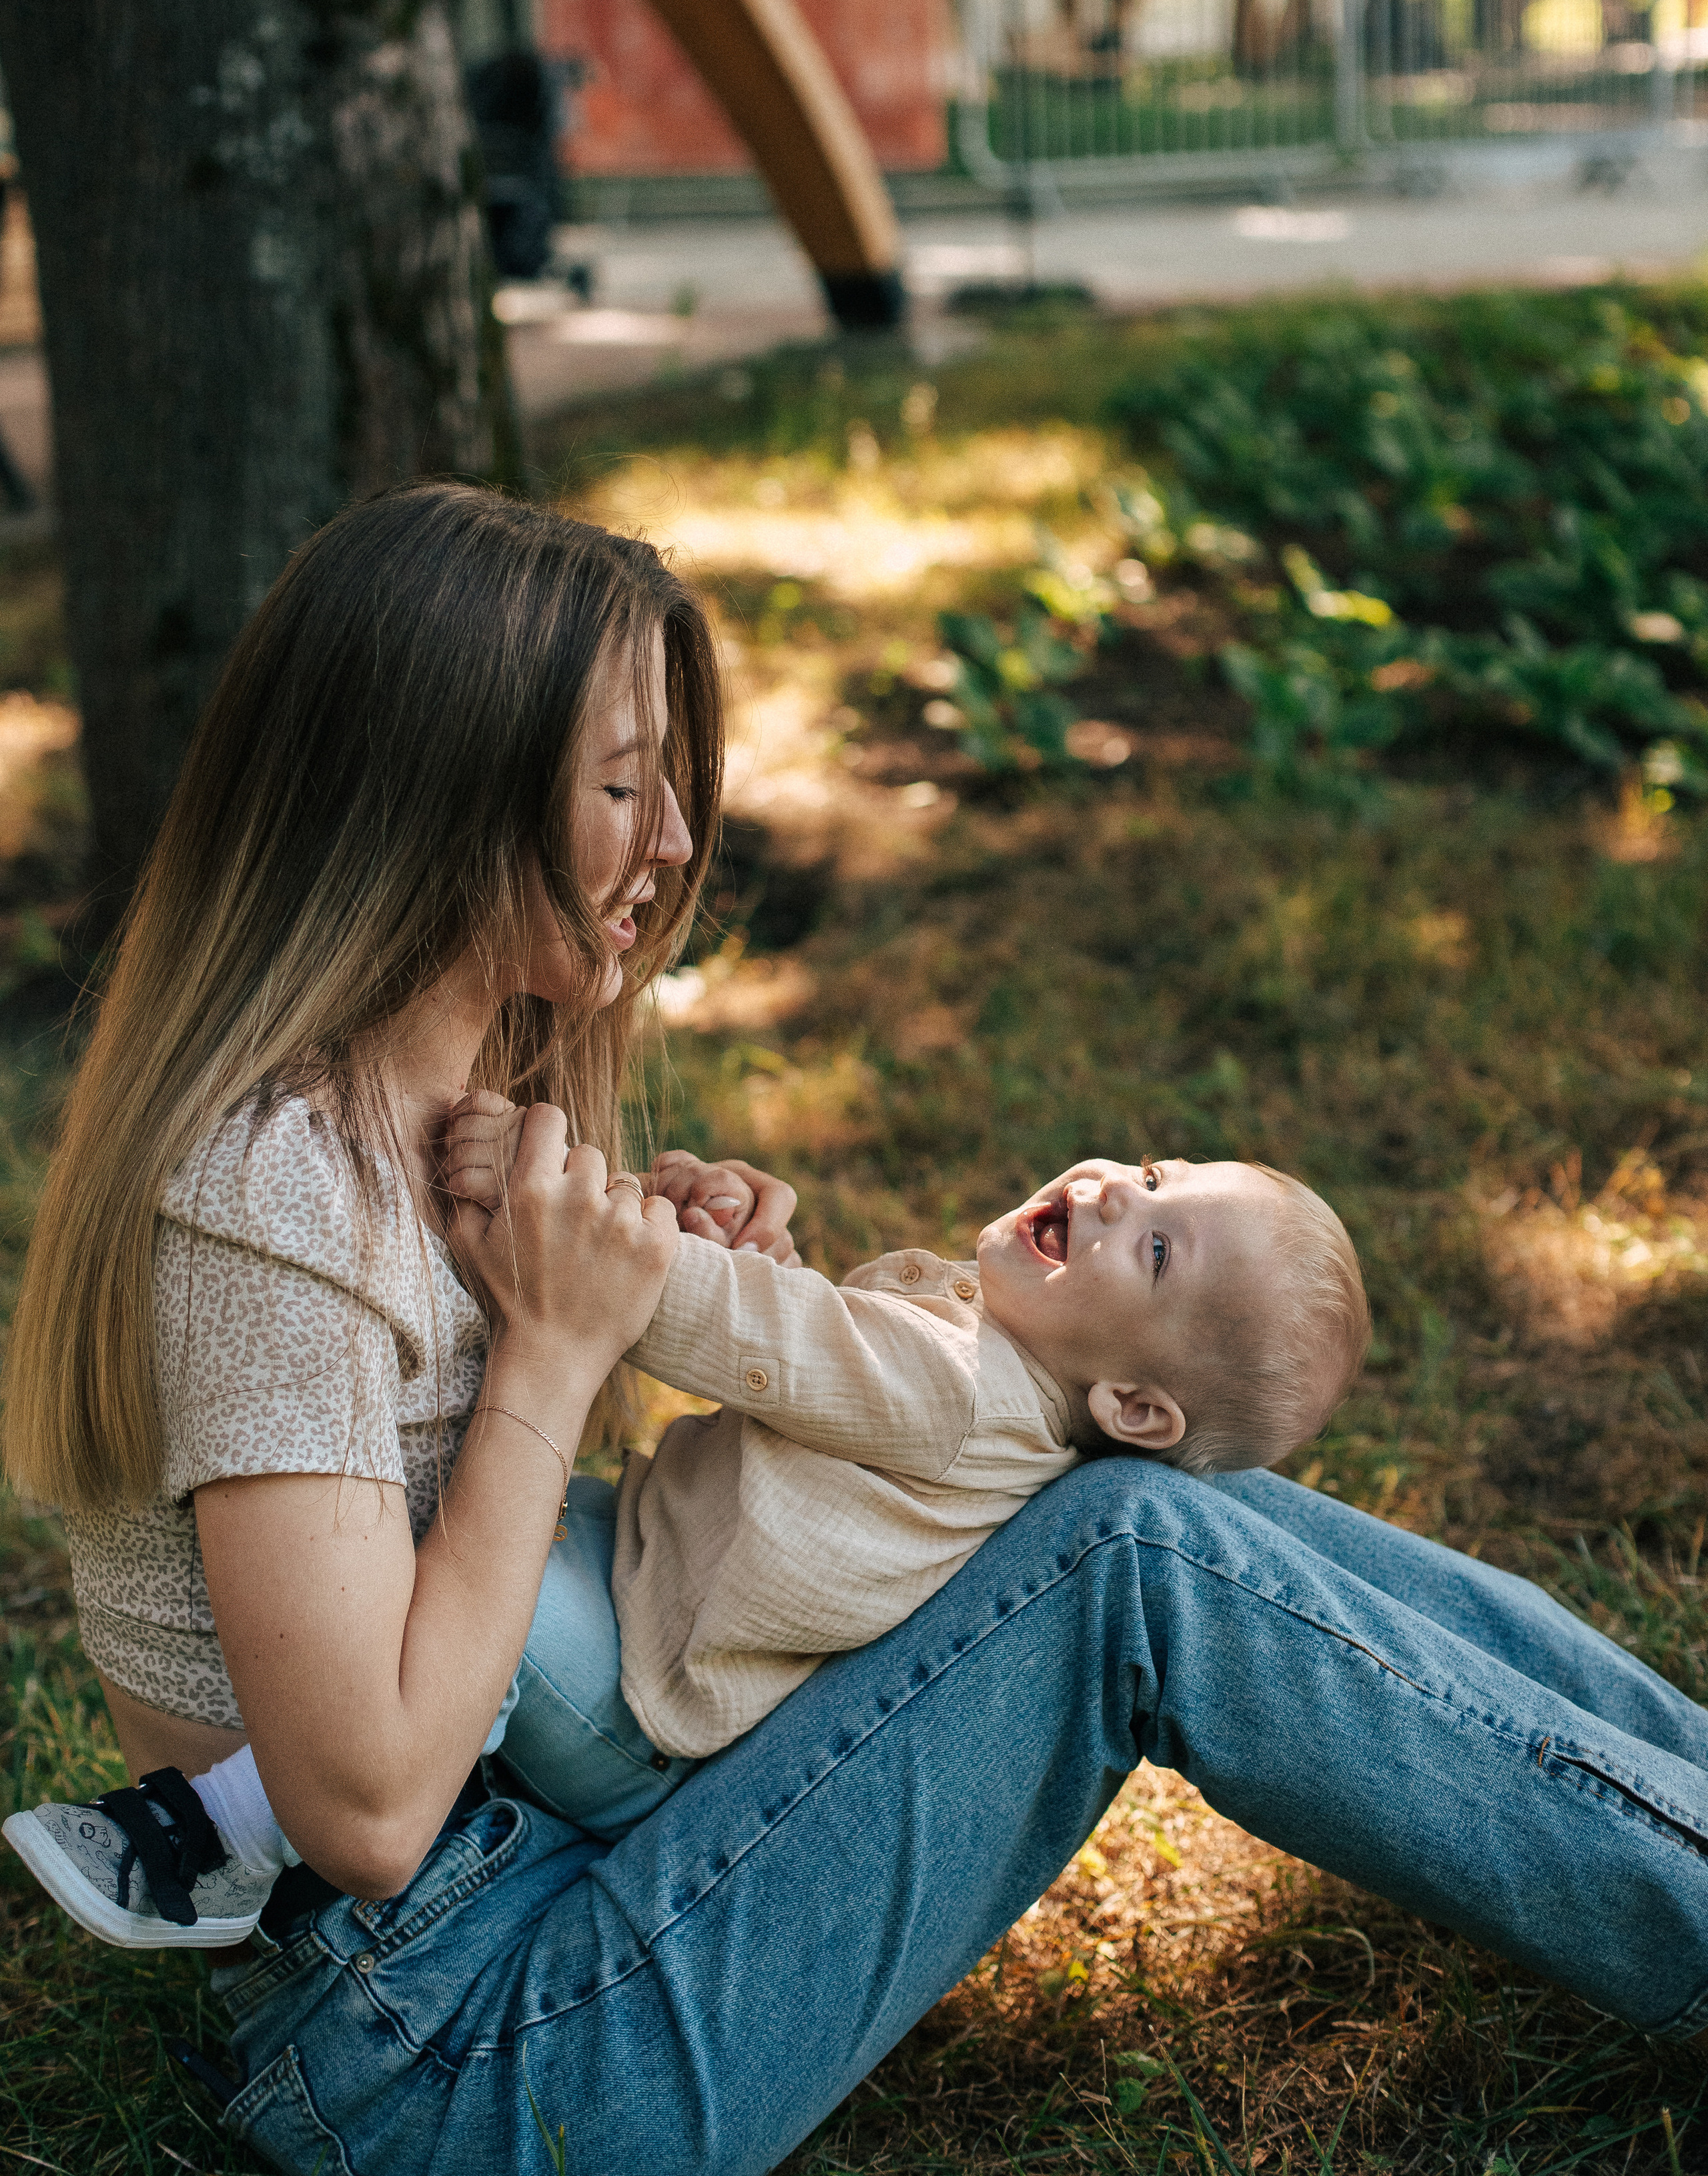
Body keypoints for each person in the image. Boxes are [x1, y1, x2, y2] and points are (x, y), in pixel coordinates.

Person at [3, 482, 1707, 2176]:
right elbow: (368, 1817)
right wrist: (553, 1346)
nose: (671, 843)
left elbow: (551, 1533)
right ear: (428, 807)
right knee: (1132, 1553)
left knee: (1154, 1496)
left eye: (668, 784)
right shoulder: (269, 1198)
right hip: (453, 2042)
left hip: (573, 1854)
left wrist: (678, 1275)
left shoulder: (440, 1091)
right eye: (616, 788)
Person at [8, 1137, 1370, 1940]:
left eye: (1155, 1251)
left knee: (483, 1587)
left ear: (1133, 1406)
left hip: (640, 1695)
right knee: (491, 1537)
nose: (1122, 1196)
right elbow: (812, 1371)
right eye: (1151, 1174)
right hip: (652, 1567)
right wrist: (743, 1257)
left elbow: (782, 1352)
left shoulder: (964, 1399)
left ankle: (218, 1841)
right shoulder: (978, 1368)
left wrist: (612, 1253)